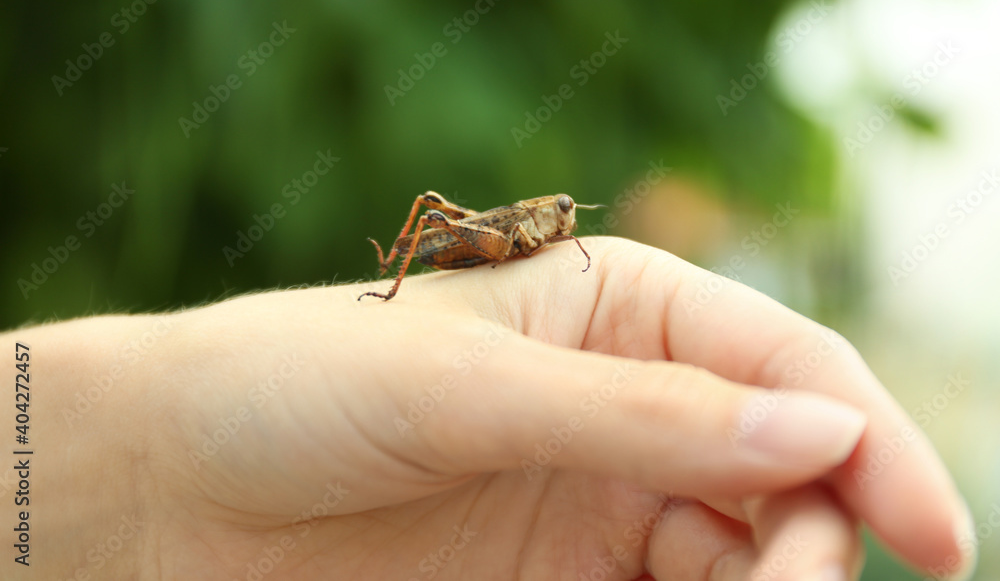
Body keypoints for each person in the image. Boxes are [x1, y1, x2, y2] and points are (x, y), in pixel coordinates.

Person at [3, 237, 975, 581]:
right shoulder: (525, 241)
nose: (562, 227)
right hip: (457, 242)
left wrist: (140, 477)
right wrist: (143, 471)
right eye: (559, 216)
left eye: (564, 218)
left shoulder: (567, 246)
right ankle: (396, 269)